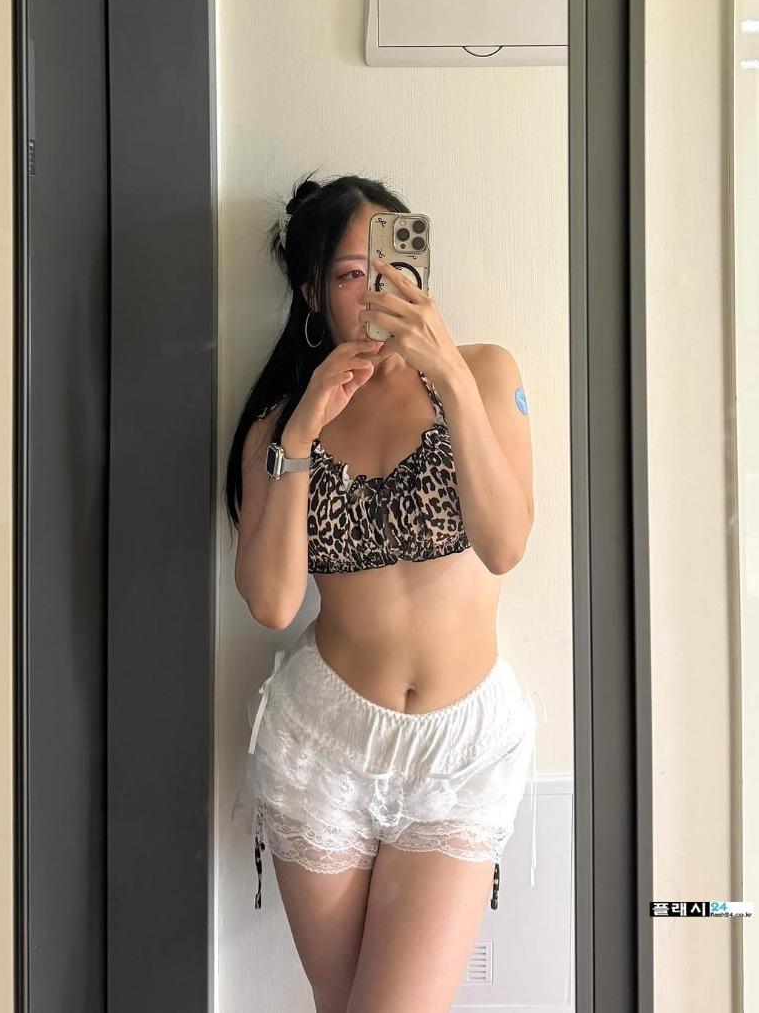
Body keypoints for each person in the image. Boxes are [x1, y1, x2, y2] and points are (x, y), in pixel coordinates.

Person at [225, 171, 539, 1013]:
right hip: (321, 750)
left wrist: (449, 376)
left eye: (391, 261)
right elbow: (272, 601)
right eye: (348, 274)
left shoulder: (484, 371)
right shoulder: (280, 424)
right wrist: (303, 427)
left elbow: (506, 543)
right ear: (311, 294)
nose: (376, 287)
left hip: (459, 751)